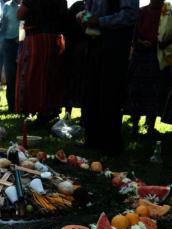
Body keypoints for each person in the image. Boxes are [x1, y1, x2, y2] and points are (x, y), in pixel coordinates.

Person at [79, 0, 139, 155]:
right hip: (94, 42)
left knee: (110, 93)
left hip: (114, 45)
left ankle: (110, 144)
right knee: (91, 92)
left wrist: (99, 21)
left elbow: (130, 15)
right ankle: (92, 140)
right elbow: (90, 13)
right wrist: (83, 17)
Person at [15, 0, 68, 123]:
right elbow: (64, 16)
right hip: (56, 40)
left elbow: (20, 14)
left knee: (33, 77)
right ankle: (50, 111)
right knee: (51, 77)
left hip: (37, 39)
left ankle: (36, 110)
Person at [125, 0, 172, 135]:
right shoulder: (141, 12)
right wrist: (141, 42)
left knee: (155, 93)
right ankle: (135, 126)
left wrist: (165, 42)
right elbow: (134, 37)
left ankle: (150, 127)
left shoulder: (168, 14)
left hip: (158, 58)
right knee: (136, 91)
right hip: (141, 57)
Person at [63, 0, 86, 120]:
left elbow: (65, 27)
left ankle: (68, 114)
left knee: (72, 83)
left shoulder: (78, 5)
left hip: (72, 48)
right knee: (83, 83)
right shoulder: (83, 7)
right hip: (82, 49)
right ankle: (83, 117)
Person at [0, 0, 20, 112]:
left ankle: (21, 105)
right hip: (9, 44)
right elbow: (2, 25)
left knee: (21, 76)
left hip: (23, 43)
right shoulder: (7, 6)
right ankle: (12, 106)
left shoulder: (27, 5)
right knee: (11, 76)